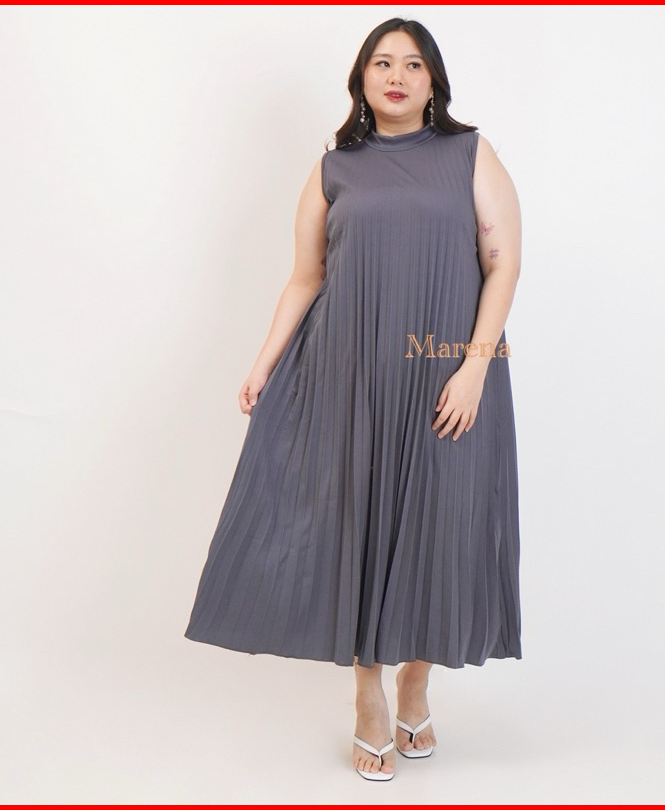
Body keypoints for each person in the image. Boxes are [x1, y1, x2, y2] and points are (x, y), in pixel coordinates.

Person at [184, 17, 523, 781]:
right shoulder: (334, 168)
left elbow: (502, 264)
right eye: (382, 63)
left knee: (442, 526)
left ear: (434, 81)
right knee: (358, 527)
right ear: (362, 79)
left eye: (413, 64)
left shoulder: (470, 155)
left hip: (446, 373)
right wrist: (264, 361)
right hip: (351, 374)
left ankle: (416, 683)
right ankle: (369, 695)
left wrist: (474, 368)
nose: (397, 75)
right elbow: (307, 277)